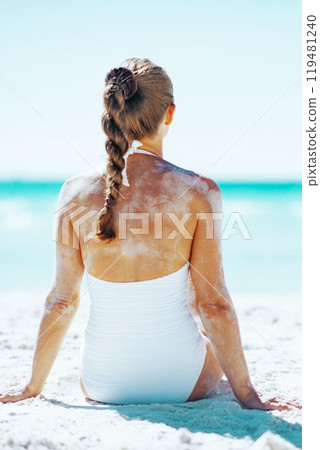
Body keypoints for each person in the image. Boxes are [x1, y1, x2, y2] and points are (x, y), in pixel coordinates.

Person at [0, 58, 295, 410]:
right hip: (183, 382)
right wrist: (247, 394)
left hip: (101, 382)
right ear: (168, 114)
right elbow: (213, 305)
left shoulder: (72, 192)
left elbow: (61, 302)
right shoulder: (199, 191)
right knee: (190, 291)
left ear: (112, 111)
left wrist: (32, 386)